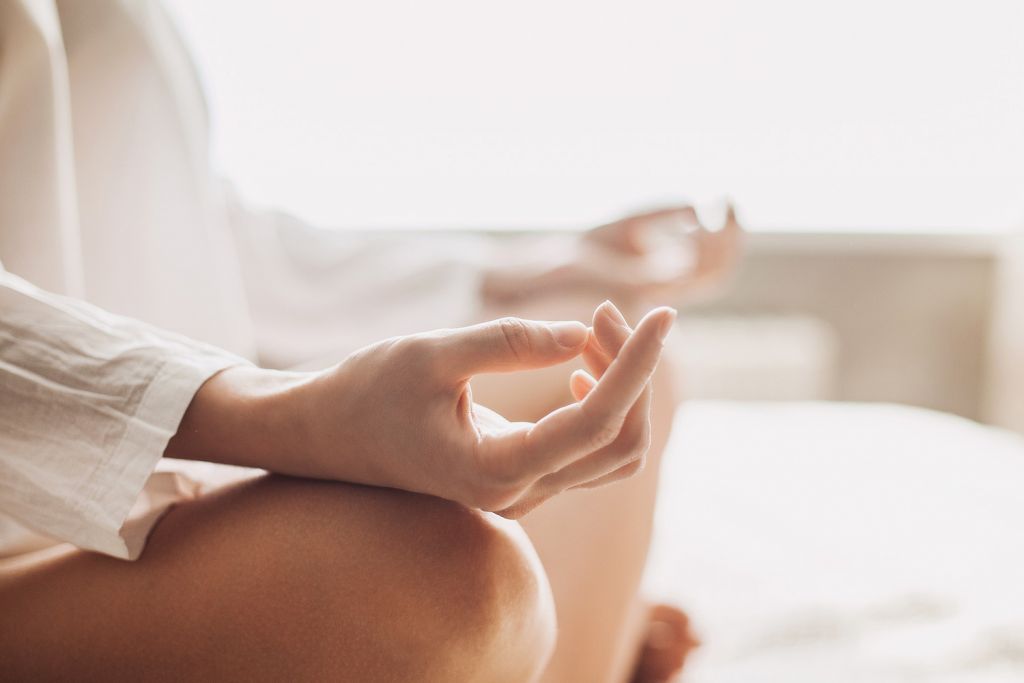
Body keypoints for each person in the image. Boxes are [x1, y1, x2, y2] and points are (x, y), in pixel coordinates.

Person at [0, 0, 741, 680]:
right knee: (456, 580)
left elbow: (194, 228)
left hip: (155, 459)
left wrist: (517, 272)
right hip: (23, 535)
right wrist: (285, 415)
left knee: (599, 357)